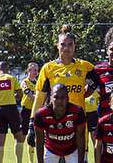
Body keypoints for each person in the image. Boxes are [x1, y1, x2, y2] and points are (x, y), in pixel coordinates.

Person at [28, 25, 95, 154]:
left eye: (70, 45)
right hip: (54, 126)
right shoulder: (48, 68)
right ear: (57, 45)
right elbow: (39, 98)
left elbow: (100, 80)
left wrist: (90, 90)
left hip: (78, 124)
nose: (66, 48)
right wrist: (32, 124)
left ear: (75, 46)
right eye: (63, 44)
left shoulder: (85, 66)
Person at [33, 83, 89, 163]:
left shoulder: (77, 111)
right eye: (56, 97)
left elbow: (80, 138)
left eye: (63, 97)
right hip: (51, 148)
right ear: (50, 98)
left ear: (67, 98)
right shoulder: (41, 114)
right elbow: (39, 141)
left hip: (72, 148)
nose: (59, 100)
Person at [0, 61, 31, 163]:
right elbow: (20, 93)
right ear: (7, 68)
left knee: (0, 139)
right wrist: (12, 96)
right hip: (11, 109)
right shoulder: (11, 78)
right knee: (19, 136)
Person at [20, 62, 39, 163]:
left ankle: (32, 162)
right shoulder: (24, 82)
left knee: (34, 136)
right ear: (28, 71)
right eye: (34, 70)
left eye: (37, 70)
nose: (36, 72)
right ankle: (23, 162)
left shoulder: (38, 83)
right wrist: (38, 97)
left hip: (35, 111)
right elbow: (29, 95)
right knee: (23, 135)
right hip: (26, 111)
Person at [84, 89, 100, 163]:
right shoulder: (82, 90)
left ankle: (98, 161)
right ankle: (85, 161)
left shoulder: (96, 91)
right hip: (83, 114)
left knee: (95, 139)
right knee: (84, 139)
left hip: (93, 116)